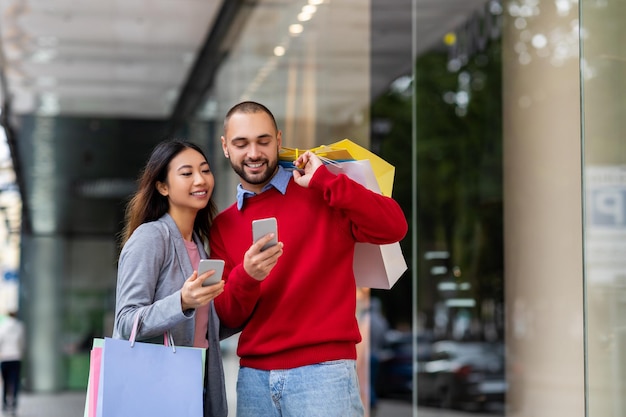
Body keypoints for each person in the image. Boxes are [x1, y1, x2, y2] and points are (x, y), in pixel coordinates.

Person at [209, 101, 408, 417]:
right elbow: (227, 317)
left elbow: (394, 227)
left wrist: (325, 180)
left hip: (324, 373)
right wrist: (248, 276)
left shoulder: (322, 192)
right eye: (241, 143)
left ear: (278, 139)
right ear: (225, 147)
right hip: (253, 380)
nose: (254, 153)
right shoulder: (223, 225)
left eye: (263, 141)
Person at [112, 139, 230, 417]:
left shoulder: (200, 246)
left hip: (197, 388)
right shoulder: (152, 237)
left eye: (205, 170)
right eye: (187, 173)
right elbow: (126, 320)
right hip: (157, 389)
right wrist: (182, 302)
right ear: (162, 187)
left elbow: (204, 329)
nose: (200, 180)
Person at [0, 311, 25, 416]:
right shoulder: (19, 327)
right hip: (16, 357)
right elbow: (22, 342)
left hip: (5, 357)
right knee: (14, 381)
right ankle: (13, 403)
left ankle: (5, 403)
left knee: (5, 381)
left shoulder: (3, 326)